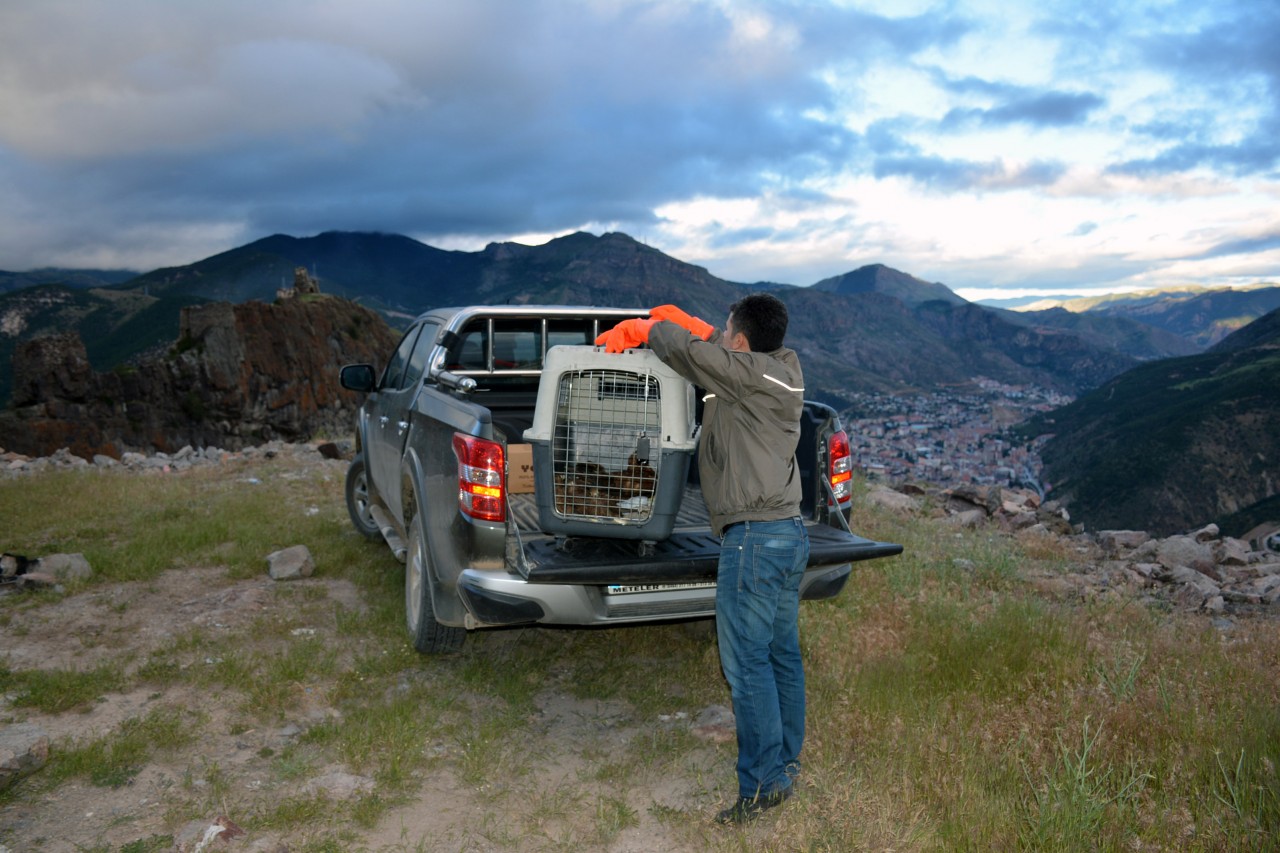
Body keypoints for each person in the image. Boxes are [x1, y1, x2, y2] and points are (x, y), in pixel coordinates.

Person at [596, 294, 810, 824]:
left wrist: (647, 330)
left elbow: (698, 358)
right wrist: (690, 325)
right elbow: (714, 348)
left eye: (728, 331)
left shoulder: (748, 376)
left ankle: (762, 786)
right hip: (785, 534)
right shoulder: (774, 368)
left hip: (756, 541)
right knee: (781, 654)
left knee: (747, 665)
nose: (723, 337)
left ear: (742, 342)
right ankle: (785, 762)